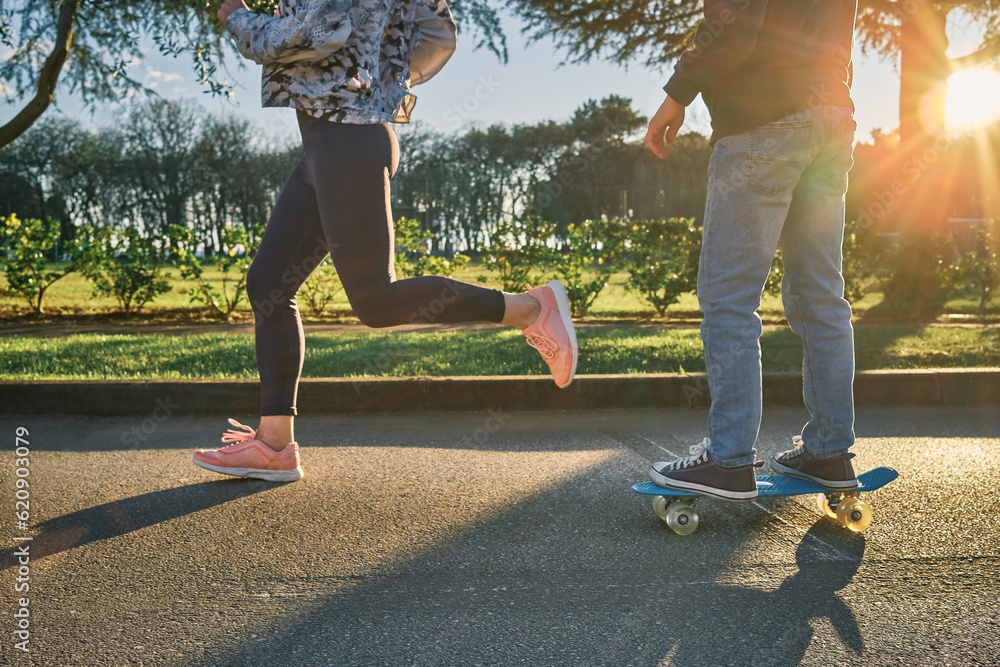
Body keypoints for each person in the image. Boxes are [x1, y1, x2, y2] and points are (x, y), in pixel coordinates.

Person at [192, 0, 578, 483]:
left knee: (376, 301)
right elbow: (438, 35)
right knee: (269, 284)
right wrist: (381, 71)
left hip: (346, 140)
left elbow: (316, 29)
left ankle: (528, 308)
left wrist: (237, 18)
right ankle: (273, 445)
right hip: (332, 142)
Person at [644, 0, 861, 500]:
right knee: (822, 297)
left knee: (729, 298)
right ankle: (830, 451)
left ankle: (728, 460)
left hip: (763, 118)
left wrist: (677, 93)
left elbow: (737, 17)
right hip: (832, 114)